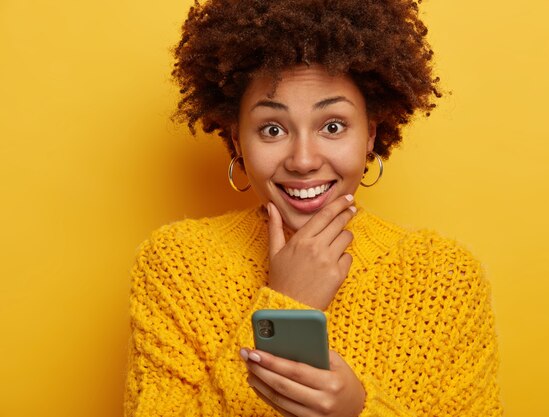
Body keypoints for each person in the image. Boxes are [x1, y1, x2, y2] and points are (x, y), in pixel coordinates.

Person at [124, 0, 502, 416]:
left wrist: (356, 412)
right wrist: (286, 305)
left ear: (370, 135)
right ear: (237, 142)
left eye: (333, 126)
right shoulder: (180, 263)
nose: (303, 160)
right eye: (272, 129)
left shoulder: (445, 277)